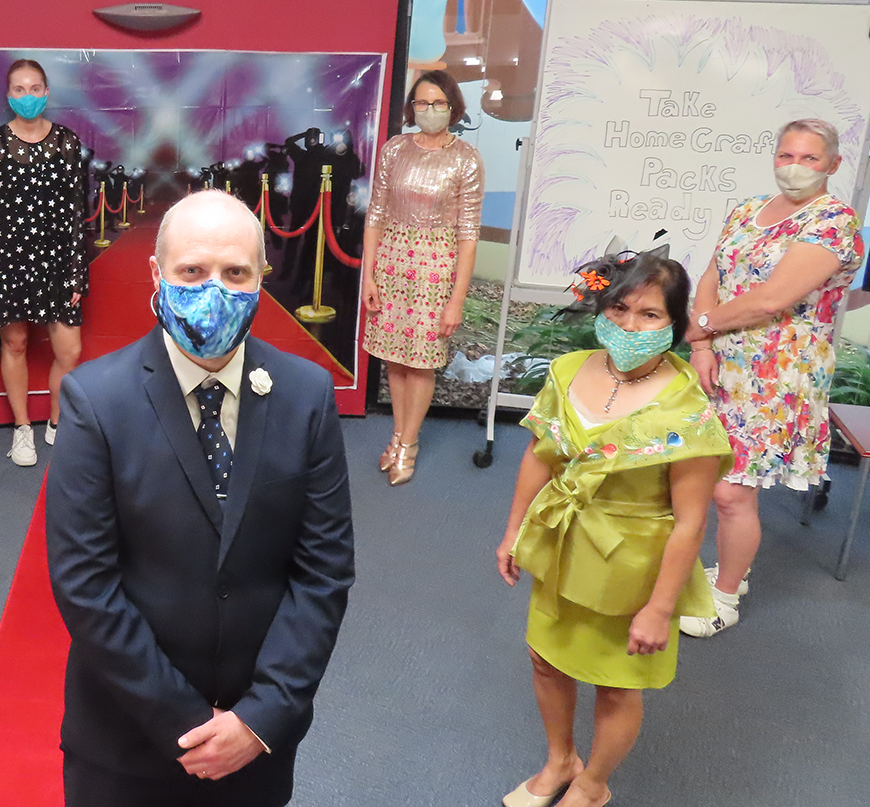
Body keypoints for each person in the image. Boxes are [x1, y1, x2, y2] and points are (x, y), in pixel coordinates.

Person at [47, 190, 355, 807]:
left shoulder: (306, 395)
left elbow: (323, 573)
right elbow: (85, 584)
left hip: (257, 740)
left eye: (235, 272)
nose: (214, 289)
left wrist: (260, 719)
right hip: (125, 740)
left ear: (261, 279)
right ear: (157, 276)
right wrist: (185, 723)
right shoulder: (95, 402)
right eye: (192, 271)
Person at [495, 252, 732, 807]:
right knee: (545, 659)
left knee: (616, 685)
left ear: (675, 324)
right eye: (619, 308)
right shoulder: (569, 370)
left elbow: (692, 521)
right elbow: (540, 453)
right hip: (561, 545)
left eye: (650, 315)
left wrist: (658, 608)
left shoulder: (686, 410)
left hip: (634, 568)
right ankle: (560, 761)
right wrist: (514, 531)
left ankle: (594, 784)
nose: (629, 325)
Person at [680, 119, 865, 637]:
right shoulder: (747, 209)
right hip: (720, 360)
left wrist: (704, 325)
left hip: (778, 375)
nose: (795, 168)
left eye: (809, 159)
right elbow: (713, 274)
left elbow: (772, 299)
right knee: (711, 477)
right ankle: (730, 574)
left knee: (731, 493)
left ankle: (723, 599)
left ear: (833, 164)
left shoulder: (834, 222)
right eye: (786, 156)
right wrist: (699, 344)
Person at [361, 69, 484, 485]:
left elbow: (469, 234)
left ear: (453, 108)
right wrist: (370, 276)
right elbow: (375, 213)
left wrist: (457, 299)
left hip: (435, 269)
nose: (429, 110)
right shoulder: (394, 150)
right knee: (394, 358)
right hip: (392, 264)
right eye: (421, 103)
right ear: (411, 108)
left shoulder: (466, 158)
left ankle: (410, 442)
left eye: (438, 104)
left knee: (422, 362)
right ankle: (397, 435)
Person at [0, 58, 87, 466]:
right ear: (8, 95)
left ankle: (56, 421)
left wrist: (75, 270)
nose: (28, 96)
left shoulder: (68, 143)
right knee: (14, 343)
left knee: (68, 351)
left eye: (36, 88)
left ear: (47, 93)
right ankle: (21, 430)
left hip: (55, 261)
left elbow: (75, 212)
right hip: (7, 259)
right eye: (19, 89)